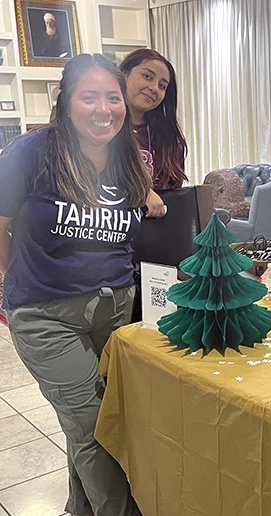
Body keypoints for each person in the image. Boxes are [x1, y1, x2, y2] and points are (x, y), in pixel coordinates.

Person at [0, 53, 148, 516]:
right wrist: (8, 276)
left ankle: (79, 509)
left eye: (112, 97)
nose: (104, 108)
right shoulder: (30, 152)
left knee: (88, 420)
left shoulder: (128, 158)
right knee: (96, 428)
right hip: (46, 314)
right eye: (89, 97)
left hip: (114, 308)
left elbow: (134, 218)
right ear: (65, 102)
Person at [119, 49, 188, 216]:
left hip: (158, 229)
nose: (154, 88)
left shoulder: (169, 138)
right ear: (124, 73)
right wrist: (141, 191)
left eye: (162, 86)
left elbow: (174, 191)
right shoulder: (103, 128)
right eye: (147, 76)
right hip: (113, 230)